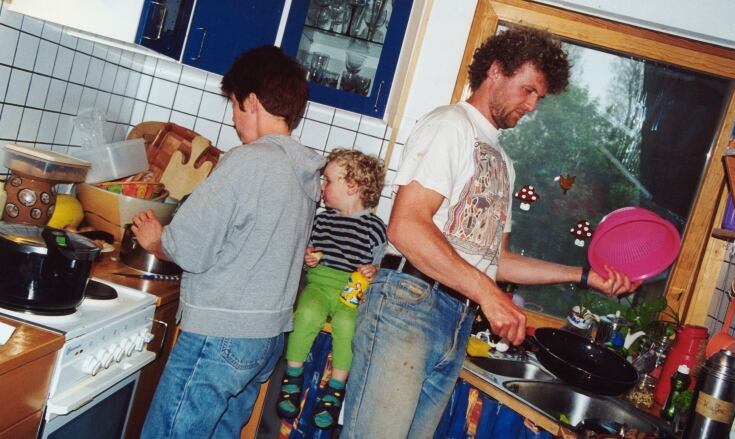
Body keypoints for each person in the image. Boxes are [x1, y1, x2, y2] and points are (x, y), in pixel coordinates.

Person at [341, 27, 640, 438]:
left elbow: (497, 261)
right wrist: (488, 294)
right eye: (528, 90)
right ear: (496, 71)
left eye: (539, 97)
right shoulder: (450, 125)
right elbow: (407, 226)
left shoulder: (502, 160)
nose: (533, 105)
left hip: (455, 318)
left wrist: (585, 276)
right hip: (410, 305)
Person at [133, 45, 326, 439]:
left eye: (236, 106)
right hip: (264, 339)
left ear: (252, 102)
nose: (235, 120)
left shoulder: (248, 161)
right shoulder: (306, 173)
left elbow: (188, 247)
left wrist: (156, 241)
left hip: (219, 334)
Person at [276, 148, 387, 429]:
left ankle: (335, 389)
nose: (322, 186)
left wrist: (373, 271)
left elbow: (379, 267)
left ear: (352, 186)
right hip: (319, 285)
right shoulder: (322, 219)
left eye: (328, 180)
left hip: (349, 293)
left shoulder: (375, 227)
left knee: (348, 324)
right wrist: (309, 256)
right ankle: (293, 377)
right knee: (307, 313)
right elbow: (308, 252)